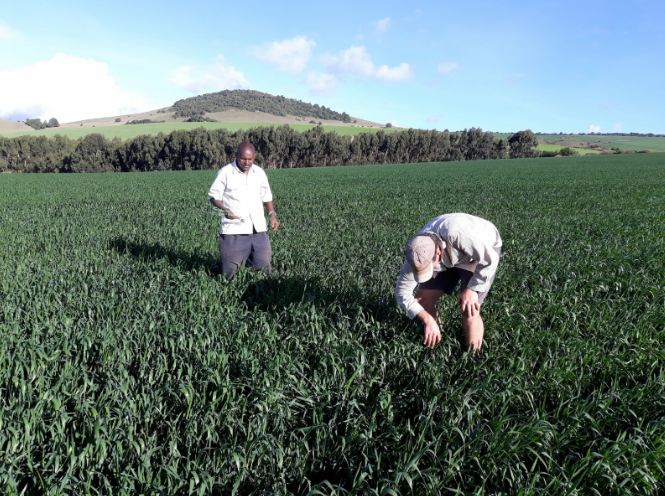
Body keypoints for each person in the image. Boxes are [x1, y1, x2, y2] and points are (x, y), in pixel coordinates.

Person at [395, 213, 502, 352]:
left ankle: (472, 358)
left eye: (429, 268)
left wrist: (472, 290)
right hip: (449, 255)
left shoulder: (460, 235)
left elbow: (490, 260)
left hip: (479, 253)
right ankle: (436, 343)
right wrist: (427, 320)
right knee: (422, 300)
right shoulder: (417, 251)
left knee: (469, 308)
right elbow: (401, 293)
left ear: (438, 252)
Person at [208, 142, 279, 279]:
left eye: (250, 159)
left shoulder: (259, 172)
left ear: (254, 157)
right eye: (243, 159)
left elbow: (266, 197)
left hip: (259, 231)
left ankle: (260, 297)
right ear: (236, 156)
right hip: (234, 231)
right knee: (230, 274)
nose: (247, 162)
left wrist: (272, 214)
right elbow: (213, 196)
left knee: (263, 269)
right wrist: (225, 209)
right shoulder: (226, 172)